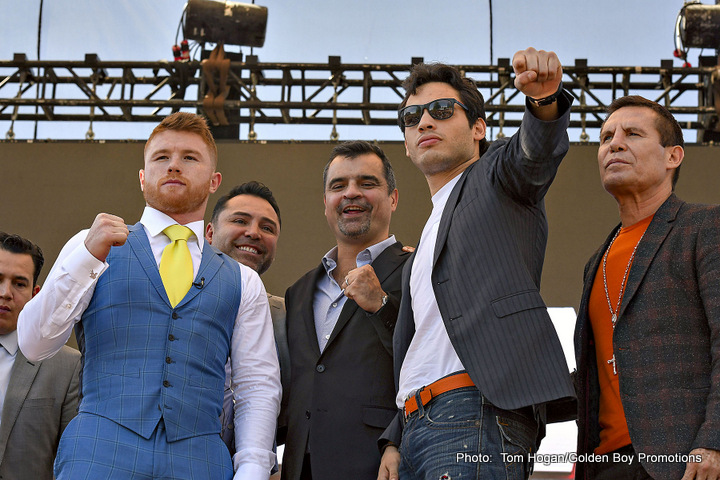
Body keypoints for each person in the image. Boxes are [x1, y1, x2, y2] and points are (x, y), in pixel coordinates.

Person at [17, 112, 281, 480]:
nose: (174, 165)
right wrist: (86, 258)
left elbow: (257, 386)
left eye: (189, 157)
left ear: (213, 181)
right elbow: (32, 343)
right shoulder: (90, 244)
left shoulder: (242, 280)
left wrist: (252, 469)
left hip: (201, 462)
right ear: (142, 179)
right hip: (97, 454)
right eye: (161, 157)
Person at [378, 47, 576, 480]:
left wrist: (543, 101)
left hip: (476, 410)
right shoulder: (427, 237)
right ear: (408, 146)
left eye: (442, 110)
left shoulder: (496, 176)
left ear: (478, 128)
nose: (424, 121)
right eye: (412, 118)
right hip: (416, 427)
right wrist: (395, 439)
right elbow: (421, 348)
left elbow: (533, 153)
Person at [573, 95, 720, 480]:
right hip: (604, 464)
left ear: (673, 156)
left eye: (632, 134)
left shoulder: (703, 227)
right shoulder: (596, 261)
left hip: (684, 459)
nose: (614, 144)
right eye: (606, 137)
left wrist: (714, 441)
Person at [281, 141, 410, 480]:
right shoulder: (298, 292)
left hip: (379, 462)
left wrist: (382, 304)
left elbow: (431, 362)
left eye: (367, 183)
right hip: (300, 467)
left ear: (393, 198)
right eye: (338, 186)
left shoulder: (419, 269)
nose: (351, 193)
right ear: (326, 204)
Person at [205, 181, 289, 465]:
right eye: (240, 220)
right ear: (209, 233)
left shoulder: (288, 318)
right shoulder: (171, 301)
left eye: (267, 228)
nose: (253, 233)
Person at [0, 232, 80, 480]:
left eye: (19, 283)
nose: (5, 293)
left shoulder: (67, 367)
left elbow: (71, 460)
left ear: (35, 294)